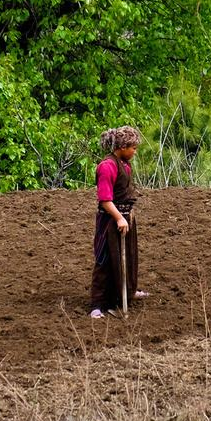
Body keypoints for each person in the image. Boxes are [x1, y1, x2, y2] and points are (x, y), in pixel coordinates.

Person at [90, 126, 148, 318]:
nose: (135, 151)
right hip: (110, 220)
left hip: (124, 218)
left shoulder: (124, 164)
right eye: (132, 147)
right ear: (122, 147)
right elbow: (105, 200)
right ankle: (97, 304)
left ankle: (127, 292)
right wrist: (119, 218)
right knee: (105, 259)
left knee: (128, 256)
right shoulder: (107, 167)